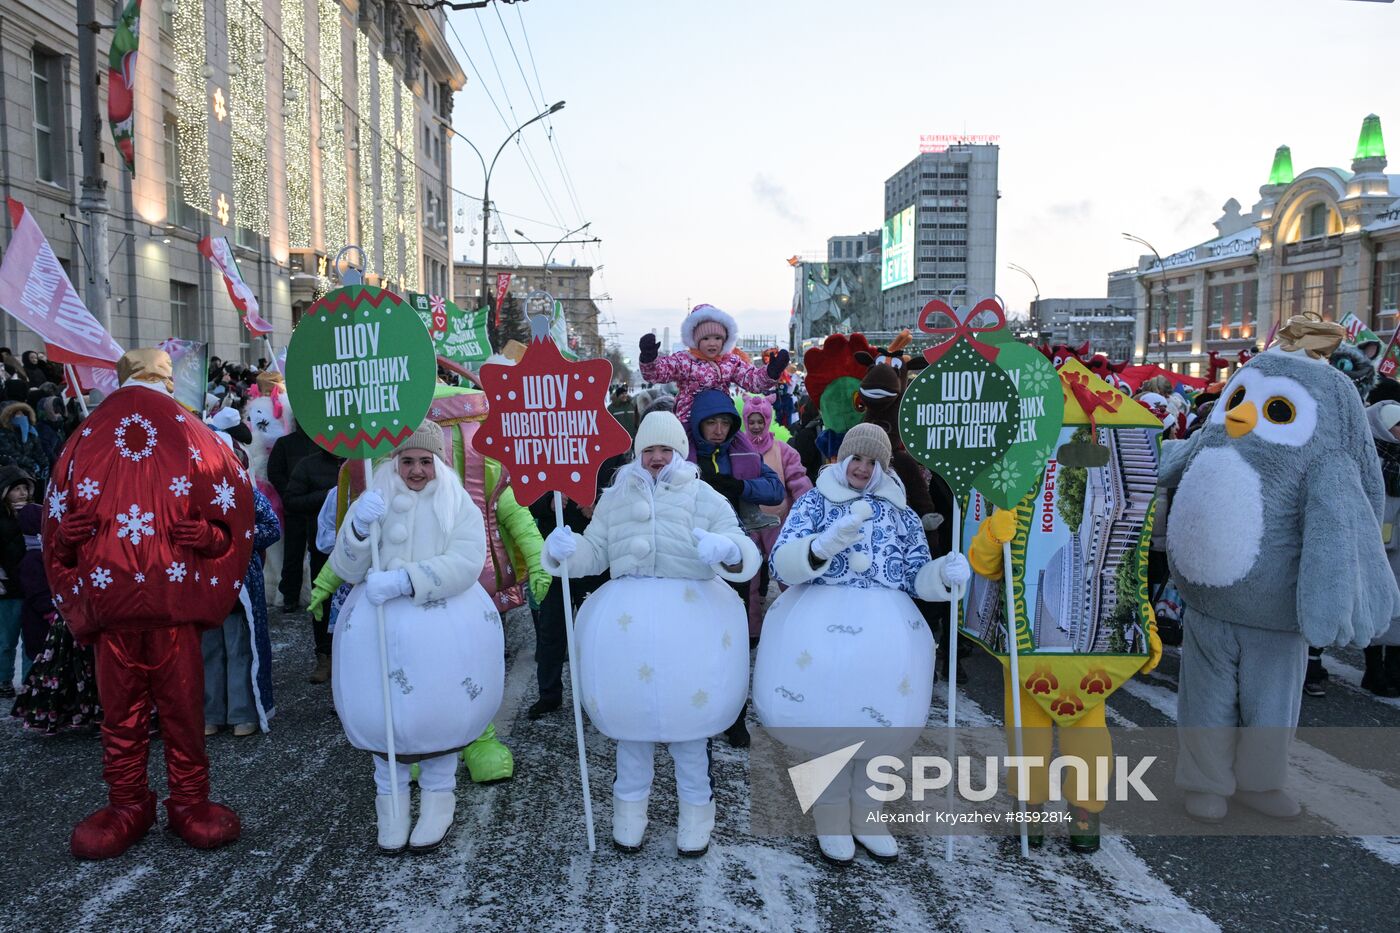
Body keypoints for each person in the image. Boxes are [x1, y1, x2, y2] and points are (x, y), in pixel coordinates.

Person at [44, 348, 253, 859]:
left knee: (159, 714)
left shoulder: (100, 441)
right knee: (141, 714)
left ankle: (168, 801)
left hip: (153, 613)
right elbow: (59, 522)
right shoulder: (180, 438)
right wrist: (68, 538)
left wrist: (205, 535)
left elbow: (231, 518)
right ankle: (143, 802)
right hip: (133, 614)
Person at [542, 411, 760, 857]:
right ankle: (628, 814)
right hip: (631, 632)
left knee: (690, 731)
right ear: (637, 454)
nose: (658, 458)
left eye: (666, 450)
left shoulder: (704, 496)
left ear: (680, 453)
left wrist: (728, 551)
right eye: (649, 450)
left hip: (691, 630)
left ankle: (697, 813)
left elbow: (742, 550)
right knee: (633, 727)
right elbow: (597, 552)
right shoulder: (616, 497)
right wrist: (566, 550)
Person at [755, 423, 969, 866]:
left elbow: (916, 575)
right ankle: (831, 817)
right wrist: (822, 546)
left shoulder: (902, 512)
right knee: (832, 722)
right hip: (822, 627)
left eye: (873, 462)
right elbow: (782, 563)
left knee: (877, 725)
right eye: (857, 458)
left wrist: (945, 577)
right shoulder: (815, 501)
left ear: (884, 467)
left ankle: (869, 815)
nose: (863, 468)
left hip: (886, 634)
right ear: (843, 458)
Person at [329, 420, 504, 854]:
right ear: (394, 460)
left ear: (438, 462)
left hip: (443, 628)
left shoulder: (455, 500)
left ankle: (438, 800)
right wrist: (357, 530)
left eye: (425, 460)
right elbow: (346, 568)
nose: (417, 470)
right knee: (382, 710)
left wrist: (408, 580)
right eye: (407, 460)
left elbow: (466, 560)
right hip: (377, 627)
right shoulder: (375, 496)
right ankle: (390, 804)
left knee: (439, 712)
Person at [689, 388, 784, 746]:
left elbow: (775, 490)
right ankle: (695, 704)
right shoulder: (682, 453)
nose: (718, 430)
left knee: (734, 637)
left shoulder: (741, 449)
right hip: (692, 558)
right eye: (711, 422)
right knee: (696, 637)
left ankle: (734, 716)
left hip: (734, 557)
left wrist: (740, 485)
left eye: (725, 423)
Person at [11, 502, 101, 733]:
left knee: (75, 670)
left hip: (67, 618)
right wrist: (53, 612)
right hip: (54, 623)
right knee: (54, 671)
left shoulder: (50, 553)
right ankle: (50, 710)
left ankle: (78, 710)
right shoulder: (34, 559)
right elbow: (38, 591)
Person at [638, 304, 788, 443]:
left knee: (743, 449)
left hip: (722, 418)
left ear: (724, 340)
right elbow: (657, 373)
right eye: (706, 338)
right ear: (695, 340)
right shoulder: (684, 360)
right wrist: (649, 358)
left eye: (717, 338)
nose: (712, 343)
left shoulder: (731, 361)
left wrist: (771, 372)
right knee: (686, 455)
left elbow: (752, 380)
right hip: (689, 421)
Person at [203, 488, 281, 737]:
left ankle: (242, 713)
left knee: (240, 647)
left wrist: (238, 534)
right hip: (202, 580)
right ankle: (210, 713)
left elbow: (271, 527)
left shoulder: (245, 492)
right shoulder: (191, 488)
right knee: (208, 648)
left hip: (240, 580)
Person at [738, 394, 812, 641]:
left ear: (768, 421)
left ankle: (798, 619)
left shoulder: (783, 450)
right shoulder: (738, 449)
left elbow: (798, 480)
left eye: (761, 421)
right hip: (748, 522)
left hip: (779, 522)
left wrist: (806, 508)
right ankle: (751, 628)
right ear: (746, 421)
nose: (757, 426)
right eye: (752, 421)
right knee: (750, 576)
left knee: (785, 570)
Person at [284, 444, 342, 683]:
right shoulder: (308, 465)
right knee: (323, 602)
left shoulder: (363, 461)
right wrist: (330, 495)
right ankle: (324, 657)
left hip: (359, 546)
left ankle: (347, 659)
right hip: (322, 547)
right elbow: (291, 500)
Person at [1363, 400, 1400, 697]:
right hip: (1376, 542)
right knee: (1376, 606)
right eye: (1396, 425)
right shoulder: (1368, 456)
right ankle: (1374, 671)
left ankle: (1395, 671)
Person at [268, 422, 319, 611]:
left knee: (320, 555)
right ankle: (290, 597)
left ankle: (318, 596)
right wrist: (290, 493)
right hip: (295, 508)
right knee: (293, 555)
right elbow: (275, 472)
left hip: (318, 509)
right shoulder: (284, 443)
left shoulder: (324, 442)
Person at [0, 466, 34, 695]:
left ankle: (31, 681)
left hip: (33, 586)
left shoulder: (35, 515)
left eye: (25, 488)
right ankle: (3, 680)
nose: (22, 493)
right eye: (16, 489)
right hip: (8, 588)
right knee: (6, 639)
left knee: (32, 638)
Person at [0, 403, 50, 494]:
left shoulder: (32, 432)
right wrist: (32, 464)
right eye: (17, 414)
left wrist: (45, 465)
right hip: (15, 476)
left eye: (23, 414)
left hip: (33, 475)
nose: (21, 417)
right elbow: (12, 453)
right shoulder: (5, 434)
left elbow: (39, 451)